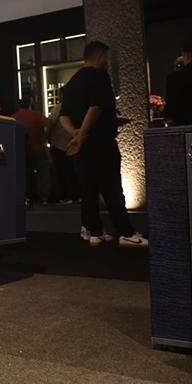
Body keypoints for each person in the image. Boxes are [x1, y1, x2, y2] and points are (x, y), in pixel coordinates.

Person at [60, 41, 148, 247]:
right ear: (100, 56)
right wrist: (82, 134)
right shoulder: (100, 76)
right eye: (106, 58)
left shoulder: (72, 82)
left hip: (83, 147)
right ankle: (125, 232)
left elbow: (63, 115)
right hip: (101, 143)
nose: (107, 62)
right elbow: (96, 108)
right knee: (112, 188)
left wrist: (75, 133)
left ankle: (94, 232)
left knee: (88, 191)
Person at [12, 92, 52, 205]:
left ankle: (28, 197)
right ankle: (44, 197)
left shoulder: (14, 117)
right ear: (30, 104)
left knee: (25, 175)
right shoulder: (37, 115)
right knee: (43, 174)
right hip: (38, 148)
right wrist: (45, 138)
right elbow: (49, 123)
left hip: (23, 150)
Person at [47, 86, 77, 204]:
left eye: (60, 94)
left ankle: (66, 195)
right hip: (72, 143)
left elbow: (51, 124)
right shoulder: (76, 107)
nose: (59, 97)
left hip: (59, 144)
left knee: (61, 171)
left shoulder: (58, 108)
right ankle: (76, 195)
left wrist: (46, 137)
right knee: (72, 170)